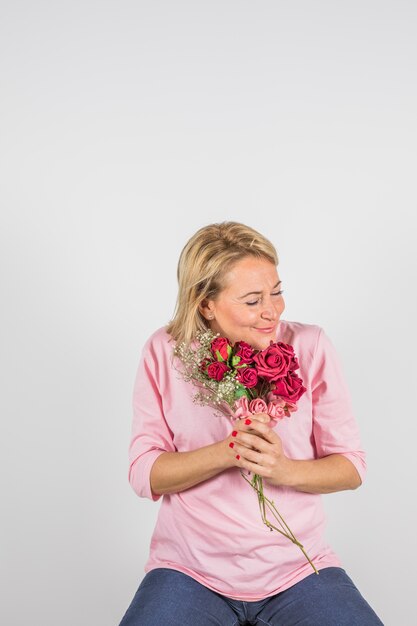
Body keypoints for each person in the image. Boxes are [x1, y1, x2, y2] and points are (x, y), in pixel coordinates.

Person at [118, 221, 384, 625]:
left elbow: (352, 467)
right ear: (205, 304)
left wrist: (284, 469)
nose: (272, 311)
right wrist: (228, 451)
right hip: (188, 570)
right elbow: (144, 474)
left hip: (299, 570)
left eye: (277, 292)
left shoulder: (309, 345)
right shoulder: (165, 351)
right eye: (252, 300)